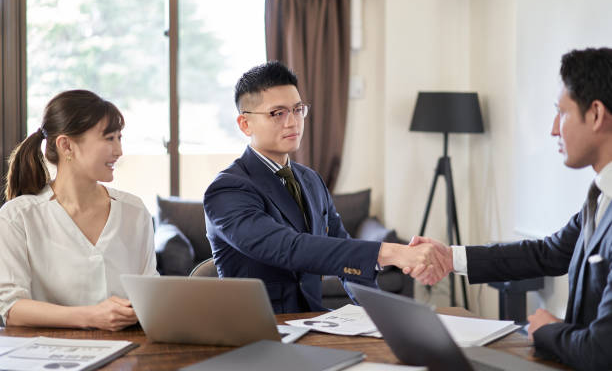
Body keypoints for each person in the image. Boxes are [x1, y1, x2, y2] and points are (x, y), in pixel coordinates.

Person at [408, 48, 612, 371]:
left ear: (597, 114)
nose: (554, 129)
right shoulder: (600, 198)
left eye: (562, 112)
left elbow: (603, 352)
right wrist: (450, 258)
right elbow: (546, 253)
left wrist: (549, 330)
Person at [204, 61, 438, 314]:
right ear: (245, 124)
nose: (293, 122)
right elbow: (289, 248)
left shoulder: (311, 180)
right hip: (258, 330)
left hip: (313, 322)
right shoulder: (228, 189)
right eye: (277, 113)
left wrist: (383, 315)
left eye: (297, 109)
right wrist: (389, 252)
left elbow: (343, 251)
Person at [0, 90, 157, 331]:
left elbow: (151, 294)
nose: (119, 151)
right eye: (109, 139)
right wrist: (91, 316)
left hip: (128, 351)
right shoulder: (17, 217)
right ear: (66, 145)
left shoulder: (134, 211)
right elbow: (12, 309)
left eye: (119, 138)